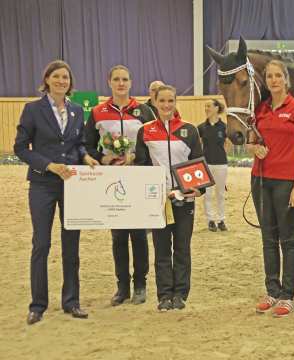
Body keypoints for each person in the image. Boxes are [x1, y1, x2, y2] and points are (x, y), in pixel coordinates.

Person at [14, 60, 99, 325]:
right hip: (42, 184)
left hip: (72, 184)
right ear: (47, 80)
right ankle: (38, 304)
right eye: (57, 76)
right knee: (41, 244)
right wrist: (48, 165)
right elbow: (21, 148)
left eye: (66, 77)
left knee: (71, 244)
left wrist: (86, 158)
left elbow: (79, 144)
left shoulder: (75, 110)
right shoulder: (32, 109)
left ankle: (71, 301)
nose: (62, 81)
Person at [85, 65, 154, 306]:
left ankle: (141, 285)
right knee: (118, 237)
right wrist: (103, 158)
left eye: (125, 79)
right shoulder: (97, 112)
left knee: (139, 235)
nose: (121, 83)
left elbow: (153, 142)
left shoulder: (144, 111)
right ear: (110, 82)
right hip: (111, 180)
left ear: (131, 82)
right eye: (117, 79)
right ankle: (122, 287)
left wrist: (135, 157)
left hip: (137, 178)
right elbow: (87, 145)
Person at [248, 60, 294, 317]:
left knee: (288, 239)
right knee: (268, 239)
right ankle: (272, 290)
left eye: (278, 76)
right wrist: (254, 148)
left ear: (286, 79)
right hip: (261, 180)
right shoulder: (260, 109)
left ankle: (287, 294)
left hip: (287, 182)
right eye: (269, 76)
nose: (274, 80)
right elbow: (251, 142)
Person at [134, 85, 204, 311]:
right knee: (162, 248)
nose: (166, 105)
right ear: (154, 102)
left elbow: (198, 165)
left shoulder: (189, 130)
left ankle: (180, 294)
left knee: (182, 248)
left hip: (185, 200)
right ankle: (164, 295)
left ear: (175, 102)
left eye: (170, 101)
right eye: (161, 101)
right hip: (159, 201)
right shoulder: (144, 131)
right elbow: (142, 166)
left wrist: (198, 190)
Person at [198, 100, 229, 232]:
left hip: (221, 164)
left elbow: (228, 144)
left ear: (217, 108)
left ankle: (221, 220)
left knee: (220, 193)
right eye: (205, 106)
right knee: (208, 194)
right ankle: (211, 220)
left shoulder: (224, 127)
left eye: (209, 106)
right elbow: (198, 144)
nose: (206, 108)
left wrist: (222, 154)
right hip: (206, 164)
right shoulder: (201, 127)